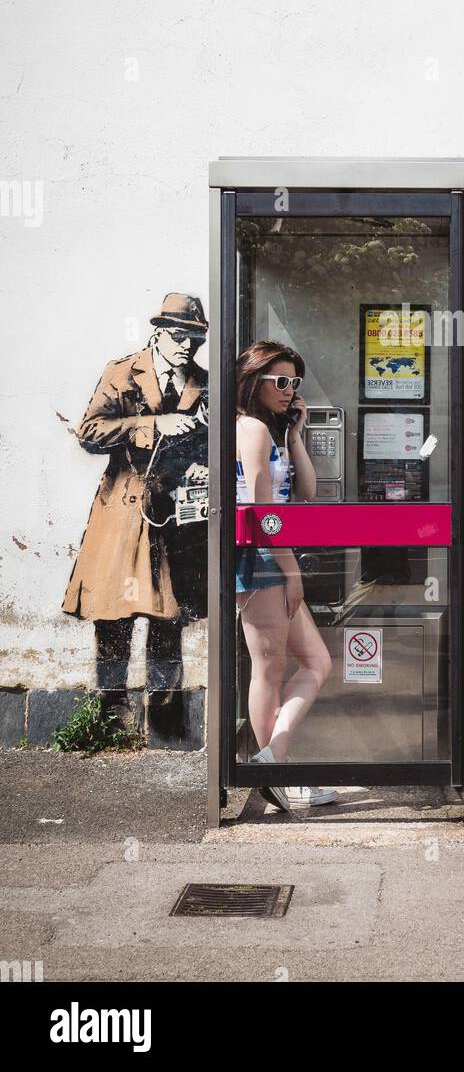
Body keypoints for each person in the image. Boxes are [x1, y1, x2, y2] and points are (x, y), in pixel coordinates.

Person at [62, 294, 210, 692]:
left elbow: (215, 440)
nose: (187, 347)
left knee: (170, 617)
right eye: (179, 336)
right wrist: (153, 424)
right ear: (159, 333)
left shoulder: (204, 383)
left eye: (195, 339)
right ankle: (109, 712)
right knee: (114, 614)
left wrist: (204, 463)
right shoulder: (123, 372)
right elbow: (90, 432)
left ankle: (166, 717)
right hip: (125, 510)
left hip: (175, 516)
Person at [235, 341, 336, 811]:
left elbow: (309, 491)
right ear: (254, 381)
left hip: (272, 558)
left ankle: (272, 763)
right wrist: (292, 572)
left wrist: (296, 431)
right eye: (279, 380)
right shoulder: (251, 428)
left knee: (316, 663)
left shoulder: (271, 431)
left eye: (294, 382)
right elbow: (259, 512)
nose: (288, 389)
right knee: (270, 670)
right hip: (260, 562)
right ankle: (275, 776)